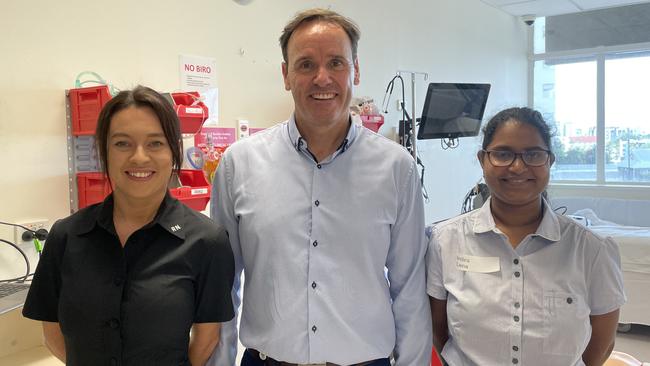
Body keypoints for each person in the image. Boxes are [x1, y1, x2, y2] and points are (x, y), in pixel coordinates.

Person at [210, 8, 431, 366]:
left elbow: (410, 288)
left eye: (336, 63)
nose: (322, 78)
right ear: (285, 74)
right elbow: (222, 286)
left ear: (355, 70)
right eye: (306, 65)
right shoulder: (239, 164)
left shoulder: (396, 168)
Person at [23, 86, 235, 366]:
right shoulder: (66, 236)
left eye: (155, 143)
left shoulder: (207, 241)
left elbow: (207, 338)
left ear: (174, 152)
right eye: (122, 143)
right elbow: (51, 331)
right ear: (104, 152)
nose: (138, 157)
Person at [427, 107, 626, 366]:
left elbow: (602, 341)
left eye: (533, 154)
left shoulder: (592, 250)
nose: (518, 167)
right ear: (482, 160)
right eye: (502, 154)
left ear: (550, 161)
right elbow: (438, 330)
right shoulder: (444, 242)